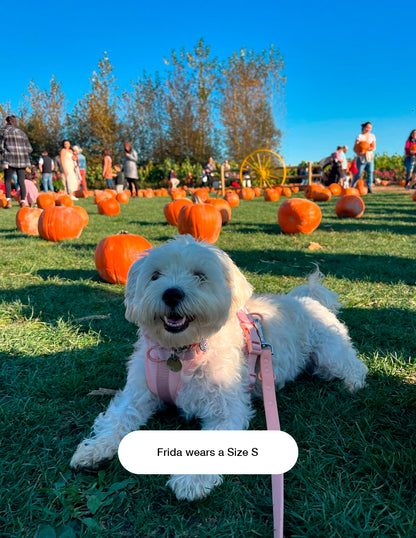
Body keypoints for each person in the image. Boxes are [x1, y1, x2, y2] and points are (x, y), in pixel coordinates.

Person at [0, 115, 32, 208]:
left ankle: (9, 202)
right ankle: (22, 202)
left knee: (7, 180)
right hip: (22, 160)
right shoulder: (22, 133)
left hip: (9, 159)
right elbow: (29, 149)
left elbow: (1, 146)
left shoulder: (3, 131)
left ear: (6, 122)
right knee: (21, 181)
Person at [352, 122, 376, 193]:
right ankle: (353, 186)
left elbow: (373, 147)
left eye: (370, 128)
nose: (369, 129)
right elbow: (355, 148)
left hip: (369, 157)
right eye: (367, 127)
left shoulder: (372, 136)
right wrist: (359, 152)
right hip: (361, 157)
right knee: (358, 173)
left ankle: (369, 188)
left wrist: (369, 149)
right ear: (363, 127)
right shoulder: (360, 136)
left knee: (370, 172)